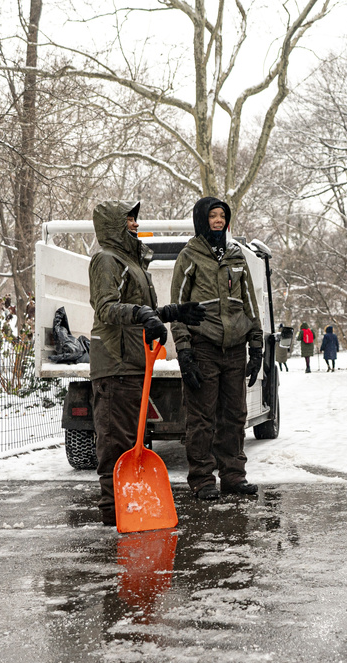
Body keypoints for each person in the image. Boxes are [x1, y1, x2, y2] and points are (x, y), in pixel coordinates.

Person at [88, 200, 205, 526]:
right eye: (129, 220)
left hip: (135, 362)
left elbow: (143, 310)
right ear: (114, 225)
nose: (135, 225)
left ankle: (127, 511)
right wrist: (141, 314)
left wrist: (173, 313)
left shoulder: (132, 261)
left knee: (128, 441)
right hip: (115, 362)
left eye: (135, 219)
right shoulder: (106, 260)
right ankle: (113, 514)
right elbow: (107, 309)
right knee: (115, 443)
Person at [171, 196, 264, 501]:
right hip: (204, 346)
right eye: (213, 215)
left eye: (223, 215)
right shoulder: (190, 256)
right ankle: (201, 479)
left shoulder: (236, 255)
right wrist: (184, 350)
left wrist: (257, 343)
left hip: (235, 349)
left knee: (235, 415)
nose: (219, 220)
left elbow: (249, 301)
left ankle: (234, 476)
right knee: (201, 418)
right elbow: (179, 308)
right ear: (202, 219)